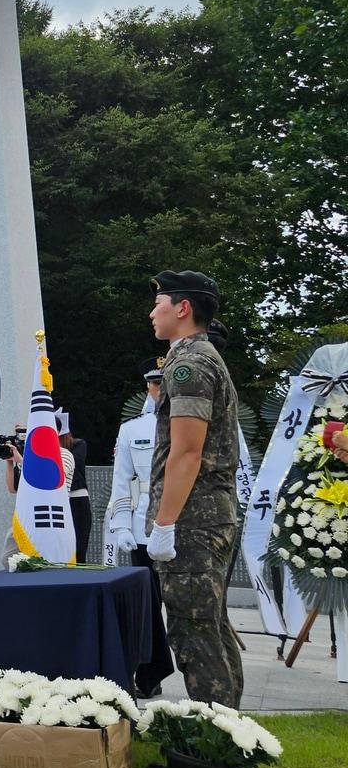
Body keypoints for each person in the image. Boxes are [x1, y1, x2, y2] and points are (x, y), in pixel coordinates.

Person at [145, 269, 244, 708]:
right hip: (206, 517)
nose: (153, 312)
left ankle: (209, 760)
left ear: (183, 309)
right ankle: (225, 742)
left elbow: (188, 452)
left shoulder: (188, 365)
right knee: (211, 627)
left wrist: (165, 524)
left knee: (195, 634)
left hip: (193, 522)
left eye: (159, 303)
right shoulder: (197, 358)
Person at [108, 357, 170, 697]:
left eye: (165, 382)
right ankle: (149, 675)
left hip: (183, 526)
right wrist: (120, 526)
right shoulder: (132, 429)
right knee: (146, 607)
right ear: (147, 385)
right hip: (143, 526)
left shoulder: (187, 420)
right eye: (155, 382)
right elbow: (122, 482)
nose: (159, 389)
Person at [56, 411, 91, 561]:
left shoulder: (78, 445)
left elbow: (72, 468)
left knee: (78, 549)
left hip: (76, 499)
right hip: (57, 501)